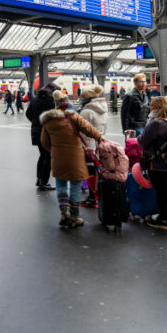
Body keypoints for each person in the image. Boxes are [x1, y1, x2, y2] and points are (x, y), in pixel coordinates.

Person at [40, 90, 104, 228]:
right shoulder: (73, 116)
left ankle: (65, 213)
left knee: (61, 184)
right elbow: (89, 129)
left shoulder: (48, 121)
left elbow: (44, 142)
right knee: (75, 185)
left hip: (58, 158)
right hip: (76, 157)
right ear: (66, 102)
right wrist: (100, 138)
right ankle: (74, 217)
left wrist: (55, 150)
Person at [138, 97, 167, 230]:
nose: (149, 107)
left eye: (151, 105)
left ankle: (163, 219)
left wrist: (139, 136)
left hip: (157, 162)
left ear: (156, 107)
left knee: (162, 191)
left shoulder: (156, 123)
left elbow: (143, 142)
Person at [78, 85, 108, 207]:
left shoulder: (86, 111)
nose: (80, 98)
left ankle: (92, 197)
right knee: (97, 171)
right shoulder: (103, 108)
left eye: (82, 96)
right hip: (99, 143)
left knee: (90, 173)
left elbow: (82, 131)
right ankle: (97, 196)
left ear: (86, 98)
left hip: (88, 146)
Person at [25, 83, 58, 191]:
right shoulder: (50, 101)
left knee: (42, 155)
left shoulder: (34, 99)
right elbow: (54, 117)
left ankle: (39, 180)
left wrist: (35, 123)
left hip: (35, 131)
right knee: (47, 156)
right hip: (46, 131)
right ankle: (44, 182)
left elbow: (28, 113)